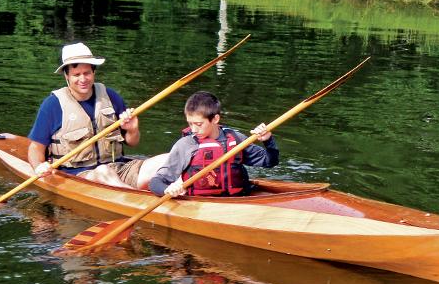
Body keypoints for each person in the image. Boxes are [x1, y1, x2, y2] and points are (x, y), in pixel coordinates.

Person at [27, 42, 166, 189]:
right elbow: (35, 149)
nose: (83, 79)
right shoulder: (52, 105)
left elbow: (132, 142)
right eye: (76, 75)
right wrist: (38, 167)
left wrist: (132, 130)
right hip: (79, 176)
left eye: (87, 73)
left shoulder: (111, 97)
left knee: (167, 160)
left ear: (94, 72)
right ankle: (134, 197)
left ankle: (177, 192)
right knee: (103, 172)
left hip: (119, 169)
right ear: (66, 76)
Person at [149, 91, 279, 197]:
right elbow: (156, 182)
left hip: (238, 200)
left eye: (199, 124)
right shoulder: (186, 145)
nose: (193, 129)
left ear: (215, 119)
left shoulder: (236, 140)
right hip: (200, 205)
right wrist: (167, 190)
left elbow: (270, 161)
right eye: (190, 123)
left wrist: (268, 140)